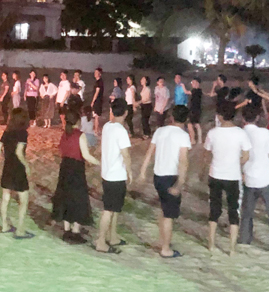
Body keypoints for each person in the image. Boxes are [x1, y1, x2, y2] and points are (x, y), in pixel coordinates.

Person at [140, 105, 191, 258]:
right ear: (186, 119)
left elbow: (149, 153)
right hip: (171, 177)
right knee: (169, 215)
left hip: (158, 176)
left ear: (172, 117)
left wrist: (142, 172)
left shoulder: (160, 131)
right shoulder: (183, 136)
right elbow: (183, 161)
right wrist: (180, 183)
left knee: (164, 210)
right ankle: (166, 249)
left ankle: (163, 241)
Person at [203, 102, 251, 255]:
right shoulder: (241, 133)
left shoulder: (212, 133)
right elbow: (246, 156)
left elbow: (206, 155)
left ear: (220, 116)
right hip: (233, 176)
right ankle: (232, 248)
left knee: (214, 209)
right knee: (233, 211)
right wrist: (235, 163)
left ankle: (211, 244)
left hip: (215, 174)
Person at [239, 106, 269, 250]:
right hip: (266, 177)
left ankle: (245, 238)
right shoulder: (264, 133)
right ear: (257, 118)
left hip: (248, 178)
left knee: (247, 212)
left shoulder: (240, 134)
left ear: (243, 118)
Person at [52, 110, 99, 244]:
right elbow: (86, 155)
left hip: (65, 167)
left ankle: (66, 230)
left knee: (66, 196)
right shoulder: (80, 135)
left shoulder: (65, 134)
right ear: (78, 121)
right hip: (76, 168)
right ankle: (75, 231)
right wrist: (99, 162)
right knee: (78, 198)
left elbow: (61, 150)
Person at [95, 99, 132, 253]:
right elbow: (126, 154)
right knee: (109, 210)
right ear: (126, 112)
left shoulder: (107, 126)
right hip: (116, 175)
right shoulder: (121, 131)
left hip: (107, 173)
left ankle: (113, 236)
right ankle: (101, 241)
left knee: (115, 208)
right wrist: (130, 172)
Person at [0, 108, 32, 238]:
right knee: (23, 199)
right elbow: (19, 152)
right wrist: (26, 165)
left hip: (7, 166)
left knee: (5, 197)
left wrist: (6, 157)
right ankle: (20, 230)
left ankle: (4, 226)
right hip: (18, 168)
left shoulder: (7, 132)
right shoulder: (22, 133)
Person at [187, 77, 203, 144]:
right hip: (197, 110)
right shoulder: (199, 91)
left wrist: (182, 86)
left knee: (190, 124)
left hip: (194, 110)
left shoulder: (194, 91)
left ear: (197, 83)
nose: (192, 84)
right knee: (197, 124)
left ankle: (193, 140)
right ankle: (199, 140)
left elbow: (186, 92)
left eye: (193, 82)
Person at [91, 67, 105, 132]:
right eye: (95, 72)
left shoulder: (99, 82)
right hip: (97, 100)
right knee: (95, 115)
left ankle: (96, 130)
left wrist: (93, 101)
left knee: (96, 116)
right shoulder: (97, 82)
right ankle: (96, 128)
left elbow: (97, 92)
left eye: (97, 73)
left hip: (98, 101)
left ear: (100, 74)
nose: (95, 74)